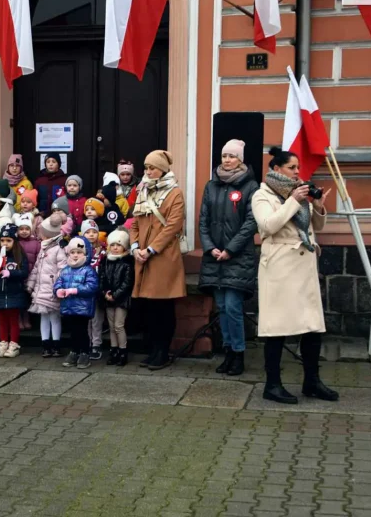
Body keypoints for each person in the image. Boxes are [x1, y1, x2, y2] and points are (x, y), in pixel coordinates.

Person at [252, 146, 338, 405]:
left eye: (298, 168)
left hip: (304, 266)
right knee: (276, 329)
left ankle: (312, 381)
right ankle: (272, 385)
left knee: (312, 327)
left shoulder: (298, 195)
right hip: (279, 267)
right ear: (276, 169)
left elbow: (315, 226)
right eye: (292, 168)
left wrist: (319, 207)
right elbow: (267, 225)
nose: (297, 173)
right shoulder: (262, 195)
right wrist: (294, 200)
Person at [198, 139, 260, 376]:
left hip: (237, 256)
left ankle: (239, 353)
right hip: (214, 256)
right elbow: (203, 219)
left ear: (240, 159)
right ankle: (227, 353)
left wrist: (230, 249)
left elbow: (250, 223)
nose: (227, 160)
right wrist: (209, 246)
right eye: (224, 156)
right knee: (222, 307)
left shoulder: (250, 186)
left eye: (232, 156)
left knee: (233, 307)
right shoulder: (211, 185)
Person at [129, 150, 187, 371]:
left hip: (163, 257)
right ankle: (153, 349)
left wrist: (151, 249)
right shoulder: (143, 190)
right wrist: (135, 247)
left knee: (163, 306)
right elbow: (135, 223)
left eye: (152, 167)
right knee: (149, 308)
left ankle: (163, 351)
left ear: (162, 169)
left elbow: (173, 226)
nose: (148, 171)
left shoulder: (175, 194)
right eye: (146, 167)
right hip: (142, 256)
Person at [0, 223, 29, 358]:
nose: (5, 244)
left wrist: (12, 273)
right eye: (2, 240)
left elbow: (25, 272)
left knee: (13, 320)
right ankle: (3, 343)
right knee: (2, 320)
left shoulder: (20, 256)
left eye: (8, 241)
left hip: (14, 293)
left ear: (14, 241)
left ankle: (14, 344)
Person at [27, 214, 69, 357]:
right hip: (41, 289)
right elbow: (37, 269)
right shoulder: (43, 248)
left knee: (54, 318)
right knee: (44, 317)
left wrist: (57, 286)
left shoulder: (59, 249)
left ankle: (56, 345)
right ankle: (46, 345)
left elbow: (62, 270)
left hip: (52, 289)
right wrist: (30, 285)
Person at [54, 237, 99, 369]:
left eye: (79, 252)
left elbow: (92, 287)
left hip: (83, 307)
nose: (75, 255)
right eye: (72, 252)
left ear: (85, 253)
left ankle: (84, 353)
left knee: (82, 330)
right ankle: (74, 351)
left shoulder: (88, 270)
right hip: (69, 306)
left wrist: (74, 290)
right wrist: (58, 290)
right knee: (73, 331)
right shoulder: (66, 270)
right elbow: (59, 282)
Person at [100, 229, 134, 366]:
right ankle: (113, 350)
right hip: (109, 299)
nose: (115, 248)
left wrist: (115, 295)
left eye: (118, 245)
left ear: (124, 247)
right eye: (112, 245)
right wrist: (105, 293)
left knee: (119, 325)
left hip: (121, 300)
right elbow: (101, 278)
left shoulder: (127, 262)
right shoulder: (106, 261)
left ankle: (122, 351)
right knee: (112, 326)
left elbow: (127, 282)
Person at [80, 220, 106, 360]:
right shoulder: (80, 250)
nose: (91, 235)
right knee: (86, 319)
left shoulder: (103, 250)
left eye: (94, 232)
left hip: (97, 290)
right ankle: (87, 343)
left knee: (96, 319)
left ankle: (96, 344)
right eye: (88, 232)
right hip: (84, 290)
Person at [13, 213, 40, 330]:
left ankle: (27, 318)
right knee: (19, 299)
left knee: (28, 299)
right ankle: (19, 319)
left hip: (31, 274)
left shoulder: (36, 243)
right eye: (21, 229)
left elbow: (38, 258)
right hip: (18, 275)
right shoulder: (15, 243)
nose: (24, 231)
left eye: (26, 229)